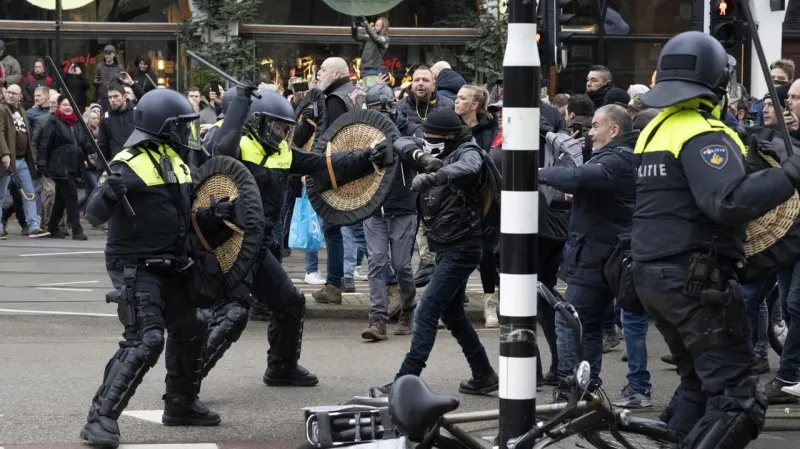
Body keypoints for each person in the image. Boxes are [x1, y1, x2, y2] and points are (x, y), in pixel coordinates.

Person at [631, 31, 800, 449]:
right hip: (694, 284)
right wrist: (791, 173)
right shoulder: (703, 132)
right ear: (719, 81)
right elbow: (726, 201)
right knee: (738, 401)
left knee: (697, 387)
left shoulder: (655, 129)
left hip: (653, 277)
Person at [200, 89, 392, 386]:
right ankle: (186, 385)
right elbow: (220, 150)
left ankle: (281, 367)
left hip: (258, 247)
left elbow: (323, 164)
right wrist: (240, 101)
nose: (282, 134)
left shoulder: (281, 152)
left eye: (286, 128)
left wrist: (367, 158)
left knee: (290, 302)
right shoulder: (231, 141)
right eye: (277, 127)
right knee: (232, 315)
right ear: (257, 121)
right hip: (228, 245)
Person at [80, 89, 228, 448]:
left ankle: (181, 404)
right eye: (180, 126)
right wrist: (109, 192)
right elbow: (93, 213)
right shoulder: (126, 163)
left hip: (171, 262)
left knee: (194, 327)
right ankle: (100, 417)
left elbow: (184, 216)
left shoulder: (175, 160)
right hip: (135, 265)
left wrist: (214, 216)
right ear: (162, 128)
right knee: (146, 338)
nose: (186, 133)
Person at [370, 108, 498, 397]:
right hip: (447, 245)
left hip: (464, 246)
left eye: (434, 138)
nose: (427, 140)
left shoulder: (468, 150)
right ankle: (484, 374)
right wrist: (423, 157)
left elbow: (467, 166)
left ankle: (404, 381)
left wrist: (435, 176)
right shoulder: (428, 147)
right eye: (425, 137)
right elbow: (400, 142)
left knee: (426, 309)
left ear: (450, 137)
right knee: (452, 314)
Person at [351, 16, 390, 89]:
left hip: (374, 73)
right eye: (375, 25)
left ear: (383, 27)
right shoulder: (370, 38)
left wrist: (366, 24)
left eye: (377, 25)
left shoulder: (385, 39)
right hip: (365, 72)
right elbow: (356, 37)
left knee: (370, 93)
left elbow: (376, 38)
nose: (375, 27)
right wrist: (354, 26)